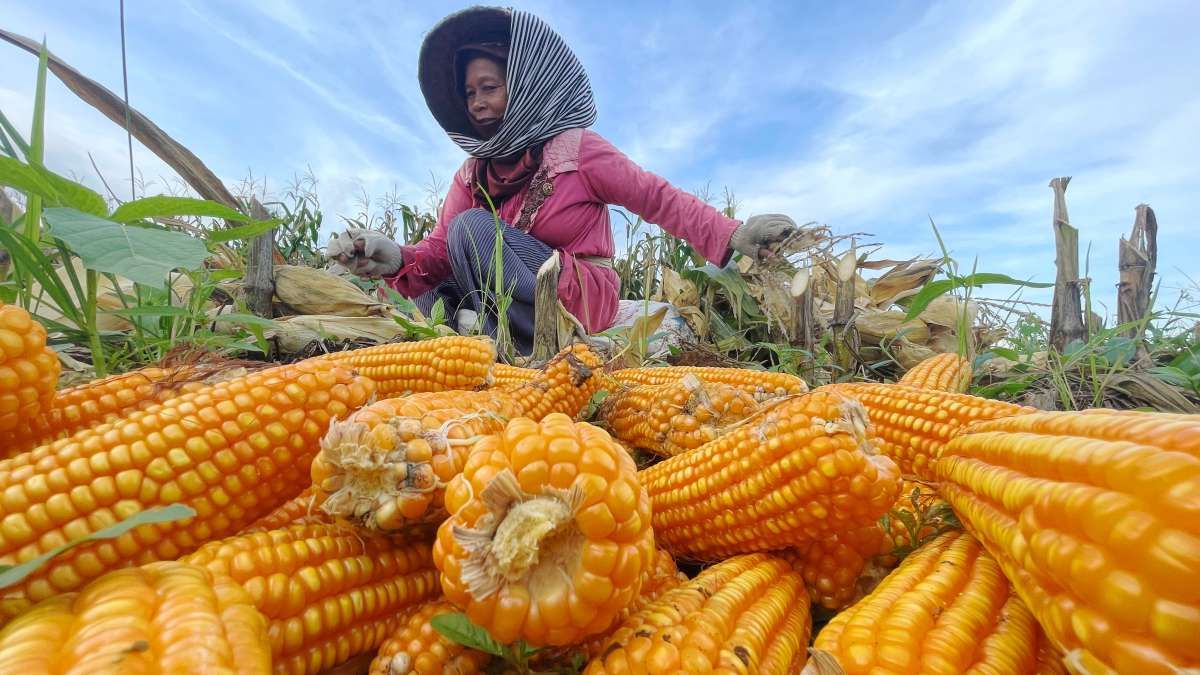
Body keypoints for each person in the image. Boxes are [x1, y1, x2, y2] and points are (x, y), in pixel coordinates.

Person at [328, 7, 796, 354]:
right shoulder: (473, 174)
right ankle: (474, 335)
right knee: (426, 283)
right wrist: (395, 259)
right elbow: (437, 253)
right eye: (470, 93)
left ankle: (496, 342)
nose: (476, 102)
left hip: (576, 293)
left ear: (523, 85)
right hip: (506, 299)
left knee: (469, 228)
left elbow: (657, 198)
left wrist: (734, 234)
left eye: (489, 87)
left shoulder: (577, 151)